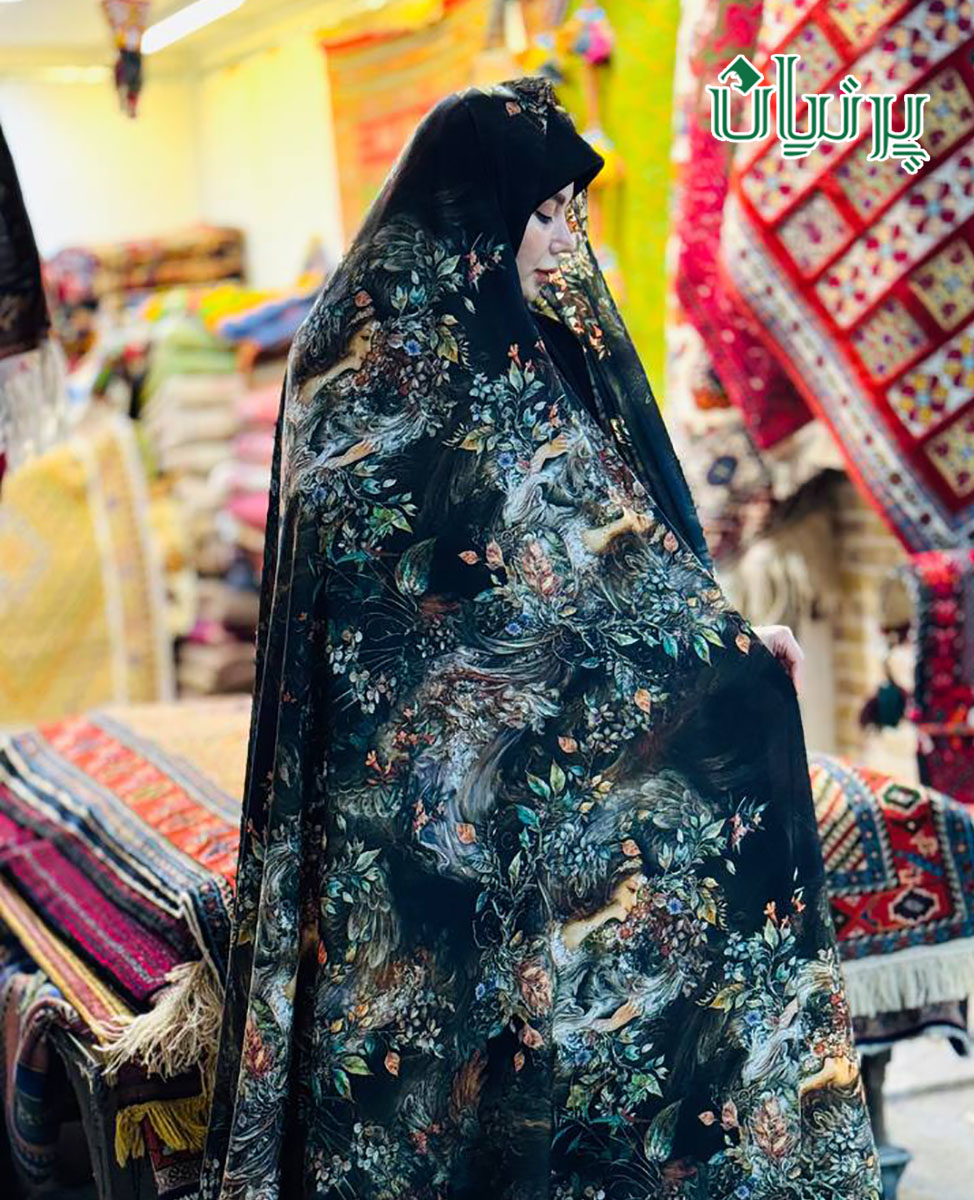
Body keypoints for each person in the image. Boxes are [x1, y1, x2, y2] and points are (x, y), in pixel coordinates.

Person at [199, 78, 880, 1200]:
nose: (566, 240)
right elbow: (487, 602)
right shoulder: (363, 361)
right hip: (400, 787)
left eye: (570, 213)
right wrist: (713, 664)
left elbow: (599, 565)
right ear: (477, 205)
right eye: (547, 213)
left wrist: (725, 652)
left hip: (497, 755)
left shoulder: (529, 344)